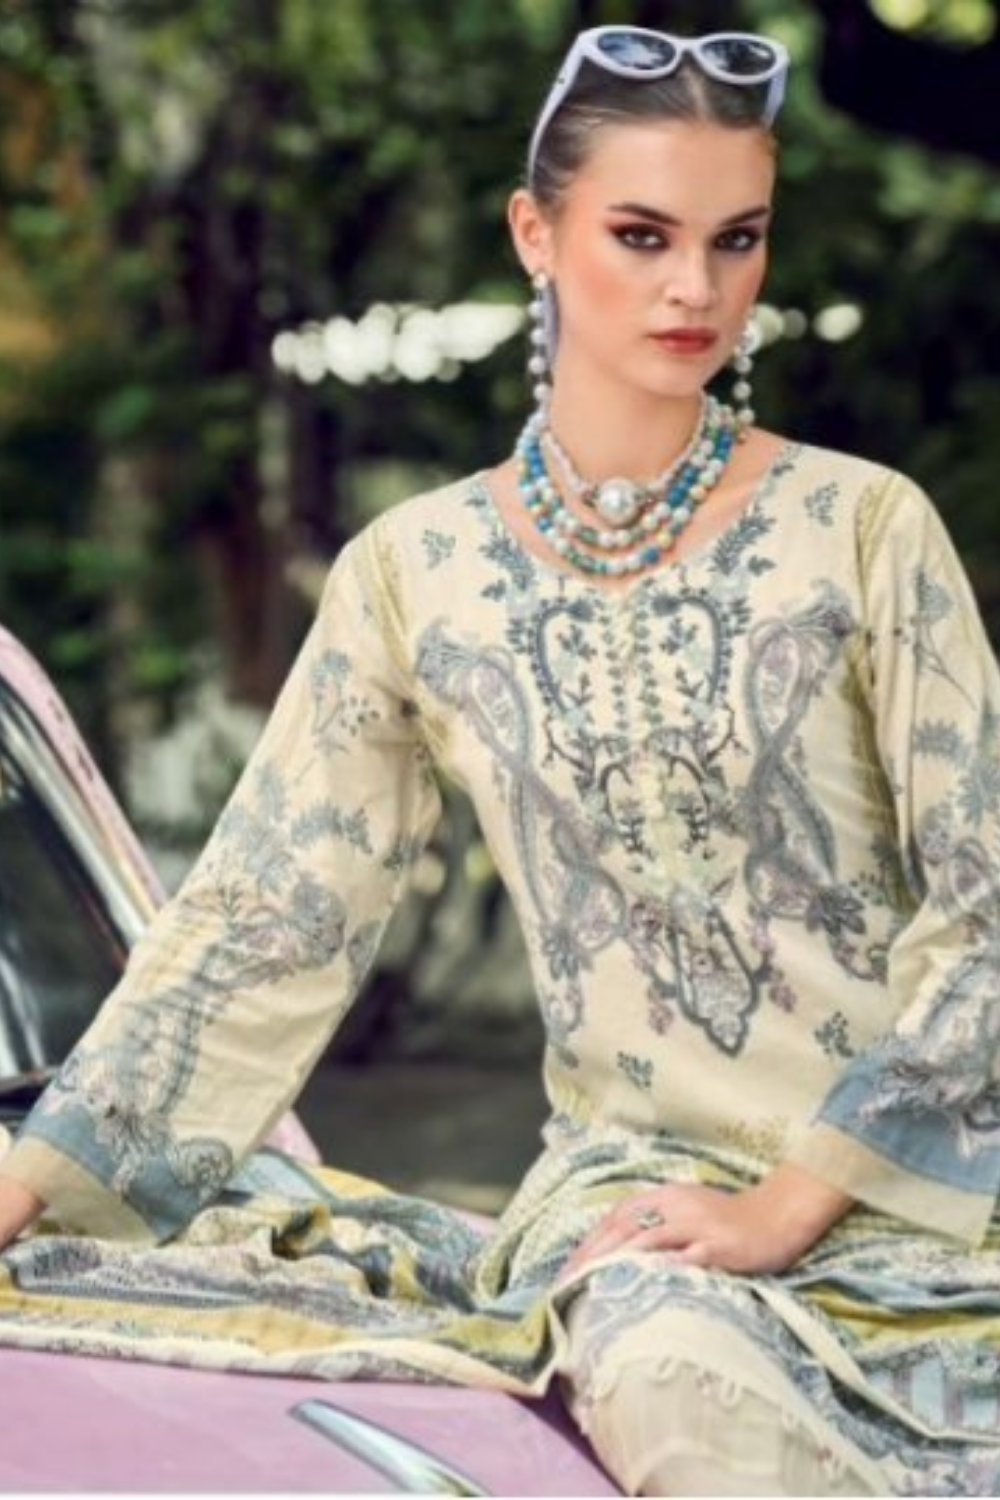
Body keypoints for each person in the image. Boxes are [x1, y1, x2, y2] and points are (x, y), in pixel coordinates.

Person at [2, 22, 1000, 1496]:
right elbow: (271, 918)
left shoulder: (862, 529)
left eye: (736, 239)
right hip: (640, 1218)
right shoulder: (419, 575)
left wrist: (795, 1202)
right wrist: (34, 1180)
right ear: (535, 234)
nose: (694, 288)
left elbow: (986, 906)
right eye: (642, 235)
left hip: (927, 1198)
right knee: (676, 1383)